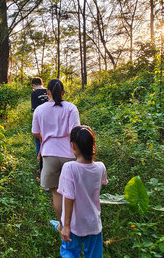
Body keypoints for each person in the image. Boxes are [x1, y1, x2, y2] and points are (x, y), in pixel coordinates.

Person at [32, 79, 80, 222]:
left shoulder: (40, 110)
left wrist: (45, 139)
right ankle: (74, 224)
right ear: (63, 92)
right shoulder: (71, 108)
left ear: (48, 92)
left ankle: (62, 225)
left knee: (56, 193)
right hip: (70, 155)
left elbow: (35, 132)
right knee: (71, 192)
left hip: (49, 155)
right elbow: (75, 132)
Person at [56, 125, 107, 258]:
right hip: (93, 223)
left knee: (70, 253)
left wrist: (66, 226)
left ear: (73, 146)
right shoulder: (101, 167)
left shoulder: (69, 168)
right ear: (93, 146)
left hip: (74, 224)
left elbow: (69, 197)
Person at [31, 77, 49, 174]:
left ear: (33, 85)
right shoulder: (48, 91)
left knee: (39, 144)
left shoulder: (34, 93)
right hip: (51, 121)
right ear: (42, 83)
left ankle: (42, 168)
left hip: (40, 121)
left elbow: (34, 109)